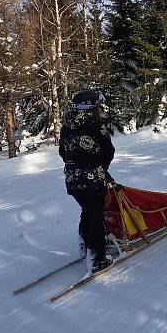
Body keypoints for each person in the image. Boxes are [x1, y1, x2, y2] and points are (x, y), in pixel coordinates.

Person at [58, 89, 115, 273]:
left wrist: (76, 166)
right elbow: (108, 152)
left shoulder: (67, 125)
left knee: (87, 210)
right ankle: (98, 257)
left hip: (73, 181)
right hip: (94, 179)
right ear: (92, 107)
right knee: (96, 215)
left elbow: (62, 152)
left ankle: (85, 244)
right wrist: (100, 168)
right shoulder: (97, 125)